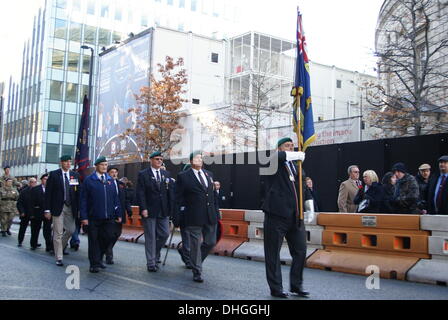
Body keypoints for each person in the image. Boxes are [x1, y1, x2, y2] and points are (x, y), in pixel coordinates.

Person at [261, 137, 309, 299]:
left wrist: (309, 206)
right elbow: (275, 158)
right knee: (273, 252)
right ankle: (276, 288)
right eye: (287, 146)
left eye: (292, 146)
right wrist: (293, 155)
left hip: (296, 216)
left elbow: (303, 186)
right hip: (277, 215)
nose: (291, 148)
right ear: (279, 149)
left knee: (301, 250)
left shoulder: (297, 166)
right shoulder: (273, 162)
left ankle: (296, 284)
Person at [173, 151, 219, 283]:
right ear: (191, 161)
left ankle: (195, 261)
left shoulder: (208, 174)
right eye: (197, 158)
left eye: (201, 158)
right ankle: (197, 270)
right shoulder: (183, 176)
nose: (200, 160)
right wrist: (176, 215)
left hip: (210, 214)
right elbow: (177, 198)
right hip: (193, 215)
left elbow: (212, 196)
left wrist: (216, 211)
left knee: (210, 242)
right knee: (194, 244)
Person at [80, 157, 122, 273]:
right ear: (97, 166)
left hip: (108, 217)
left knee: (108, 237)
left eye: (106, 165)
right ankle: (94, 263)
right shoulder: (89, 180)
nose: (104, 167)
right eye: (102, 164)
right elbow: (83, 200)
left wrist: (118, 213)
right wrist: (84, 217)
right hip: (93, 216)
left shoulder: (110, 180)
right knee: (93, 241)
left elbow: (115, 199)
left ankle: (99, 258)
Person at [136, 152, 174, 272]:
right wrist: (143, 208)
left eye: (161, 159)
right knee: (151, 237)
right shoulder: (143, 174)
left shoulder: (166, 174)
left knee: (165, 234)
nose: (159, 161)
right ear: (151, 160)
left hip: (163, 210)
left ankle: (155, 252)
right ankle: (151, 262)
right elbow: (140, 193)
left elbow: (169, 193)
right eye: (157, 159)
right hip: (149, 210)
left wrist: (171, 209)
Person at [44, 155, 81, 267]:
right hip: (58, 207)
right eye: (66, 162)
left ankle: (60, 246)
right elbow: (48, 193)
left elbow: (77, 193)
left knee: (71, 229)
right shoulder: (54, 174)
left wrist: (79, 209)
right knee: (58, 232)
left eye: (70, 162)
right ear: (61, 163)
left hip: (71, 207)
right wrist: (47, 210)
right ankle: (59, 257)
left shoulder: (75, 175)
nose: (68, 164)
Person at [104, 166, 127, 265]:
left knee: (117, 233)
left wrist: (128, 210)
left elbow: (125, 199)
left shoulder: (121, 184)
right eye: (112, 172)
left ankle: (107, 248)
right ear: (108, 173)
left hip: (120, 213)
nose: (114, 174)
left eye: (116, 172)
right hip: (110, 213)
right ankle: (109, 254)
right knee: (110, 234)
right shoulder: (105, 183)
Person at [30, 174, 53, 253]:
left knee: (47, 231)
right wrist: (32, 214)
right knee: (35, 229)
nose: (46, 181)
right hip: (37, 212)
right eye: (44, 179)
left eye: (47, 179)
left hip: (48, 213)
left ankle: (49, 246)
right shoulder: (35, 189)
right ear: (41, 180)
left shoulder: (51, 189)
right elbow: (31, 202)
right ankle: (34, 244)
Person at [177, 163, 192, 269]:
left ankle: (185, 253)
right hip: (184, 214)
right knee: (187, 238)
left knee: (193, 239)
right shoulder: (180, 183)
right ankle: (188, 260)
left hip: (196, 215)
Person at [17, 177, 38, 247]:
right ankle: (20, 241)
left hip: (34, 213)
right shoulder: (24, 191)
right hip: (25, 213)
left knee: (34, 230)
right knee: (23, 228)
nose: (34, 184)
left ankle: (34, 243)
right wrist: (22, 212)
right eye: (32, 182)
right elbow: (19, 203)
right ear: (29, 183)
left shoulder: (38, 191)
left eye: (35, 182)